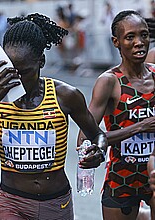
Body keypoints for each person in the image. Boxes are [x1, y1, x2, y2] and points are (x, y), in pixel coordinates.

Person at [0, 13, 107, 219]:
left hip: (57, 203)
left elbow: (98, 135)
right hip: (11, 202)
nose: (17, 81)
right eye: (12, 72)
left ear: (41, 62)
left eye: (25, 72)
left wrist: (98, 151)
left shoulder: (66, 95)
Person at [77, 10, 155, 220]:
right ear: (116, 42)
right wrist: (139, 127)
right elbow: (86, 138)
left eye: (144, 35)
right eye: (130, 37)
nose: (139, 42)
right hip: (122, 179)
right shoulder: (109, 82)